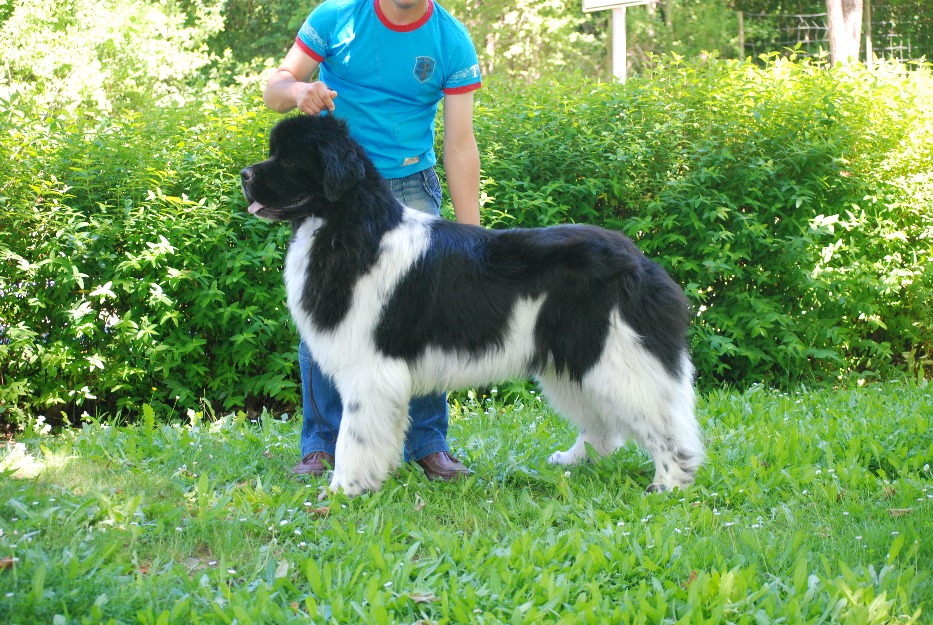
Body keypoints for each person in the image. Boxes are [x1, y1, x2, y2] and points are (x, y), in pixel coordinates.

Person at [262, 0, 482, 481]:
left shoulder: (450, 39)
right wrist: (300, 89)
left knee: (423, 316)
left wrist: (474, 239)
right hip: (337, 187)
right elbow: (273, 89)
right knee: (326, 308)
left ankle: (427, 444)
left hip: (409, 188)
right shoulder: (335, 17)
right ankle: (321, 445)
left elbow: (460, 142)